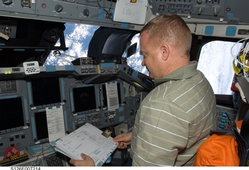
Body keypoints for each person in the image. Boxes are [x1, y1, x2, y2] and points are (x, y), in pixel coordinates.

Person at [69, 14, 216, 166]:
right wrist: (137, 136)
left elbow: (165, 118)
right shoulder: (200, 81)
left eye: (145, 54)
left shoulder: (162, 104)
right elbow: (179, 133)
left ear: (164, 52)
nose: (142, 62)